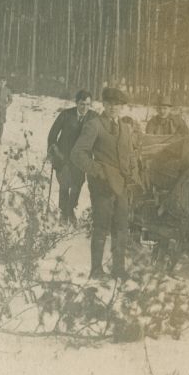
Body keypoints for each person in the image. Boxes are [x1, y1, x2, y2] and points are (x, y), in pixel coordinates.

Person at [71, 88, 140, 279]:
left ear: (122, 107)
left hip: (122, 186)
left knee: (121, 226)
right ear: (104, 105)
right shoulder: (94, 125)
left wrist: (133, 171)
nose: (113, 108)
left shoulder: (126, 128)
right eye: (110, 104)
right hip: (102, 185)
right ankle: (96, 270)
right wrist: (98, 172)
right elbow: (77, 154)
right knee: (101, 226)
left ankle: (119, 269)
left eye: (117, 105)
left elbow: (130, 154)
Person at [47, 90, 96, 222]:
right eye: (81, 104)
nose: (84, 107)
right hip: (64, 156)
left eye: (87, 104)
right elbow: (53, 134)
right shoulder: (66, 115)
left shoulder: (93, 117)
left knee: (78, 184)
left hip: (81, 159)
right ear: (76, 103)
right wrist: (53, 149)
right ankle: (63, 212)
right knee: (64, 184)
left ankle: (70, 210)